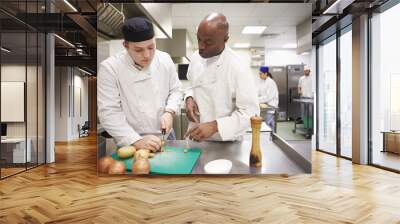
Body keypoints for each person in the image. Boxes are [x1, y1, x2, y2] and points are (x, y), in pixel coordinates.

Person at [97, 17, 182, 151]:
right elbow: (108, 112)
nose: (147, 55)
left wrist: (169, 112)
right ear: (126, 46)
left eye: (151, 47)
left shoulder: (164, 59)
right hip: (132, 140)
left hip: (166, 136)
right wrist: (135, 140)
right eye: (138, 50)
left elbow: (176, 90)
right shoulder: (110, 68)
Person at [184, 13, 260, 142]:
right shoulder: (196, 57)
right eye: (199, 39)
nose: (201, 46)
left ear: (225, 39)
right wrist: (189, 98)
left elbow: (250, 113)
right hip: (195, 137)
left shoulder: (238, 67)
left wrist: (215, 126)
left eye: (208, 42)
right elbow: (192, 85)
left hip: (225, 141)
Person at [258, 66, 279, 132]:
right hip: (265, 106)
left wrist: (256, 100)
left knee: (268, 124)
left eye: (261, 74)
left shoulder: (271, 82)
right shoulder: (262, 81)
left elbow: (268, 97)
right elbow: (258, 92)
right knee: (267, 123)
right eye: (259, 74)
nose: (259, 75)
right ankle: (269, 136)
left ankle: (271, 137)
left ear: (266, 74)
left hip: (271, 106)